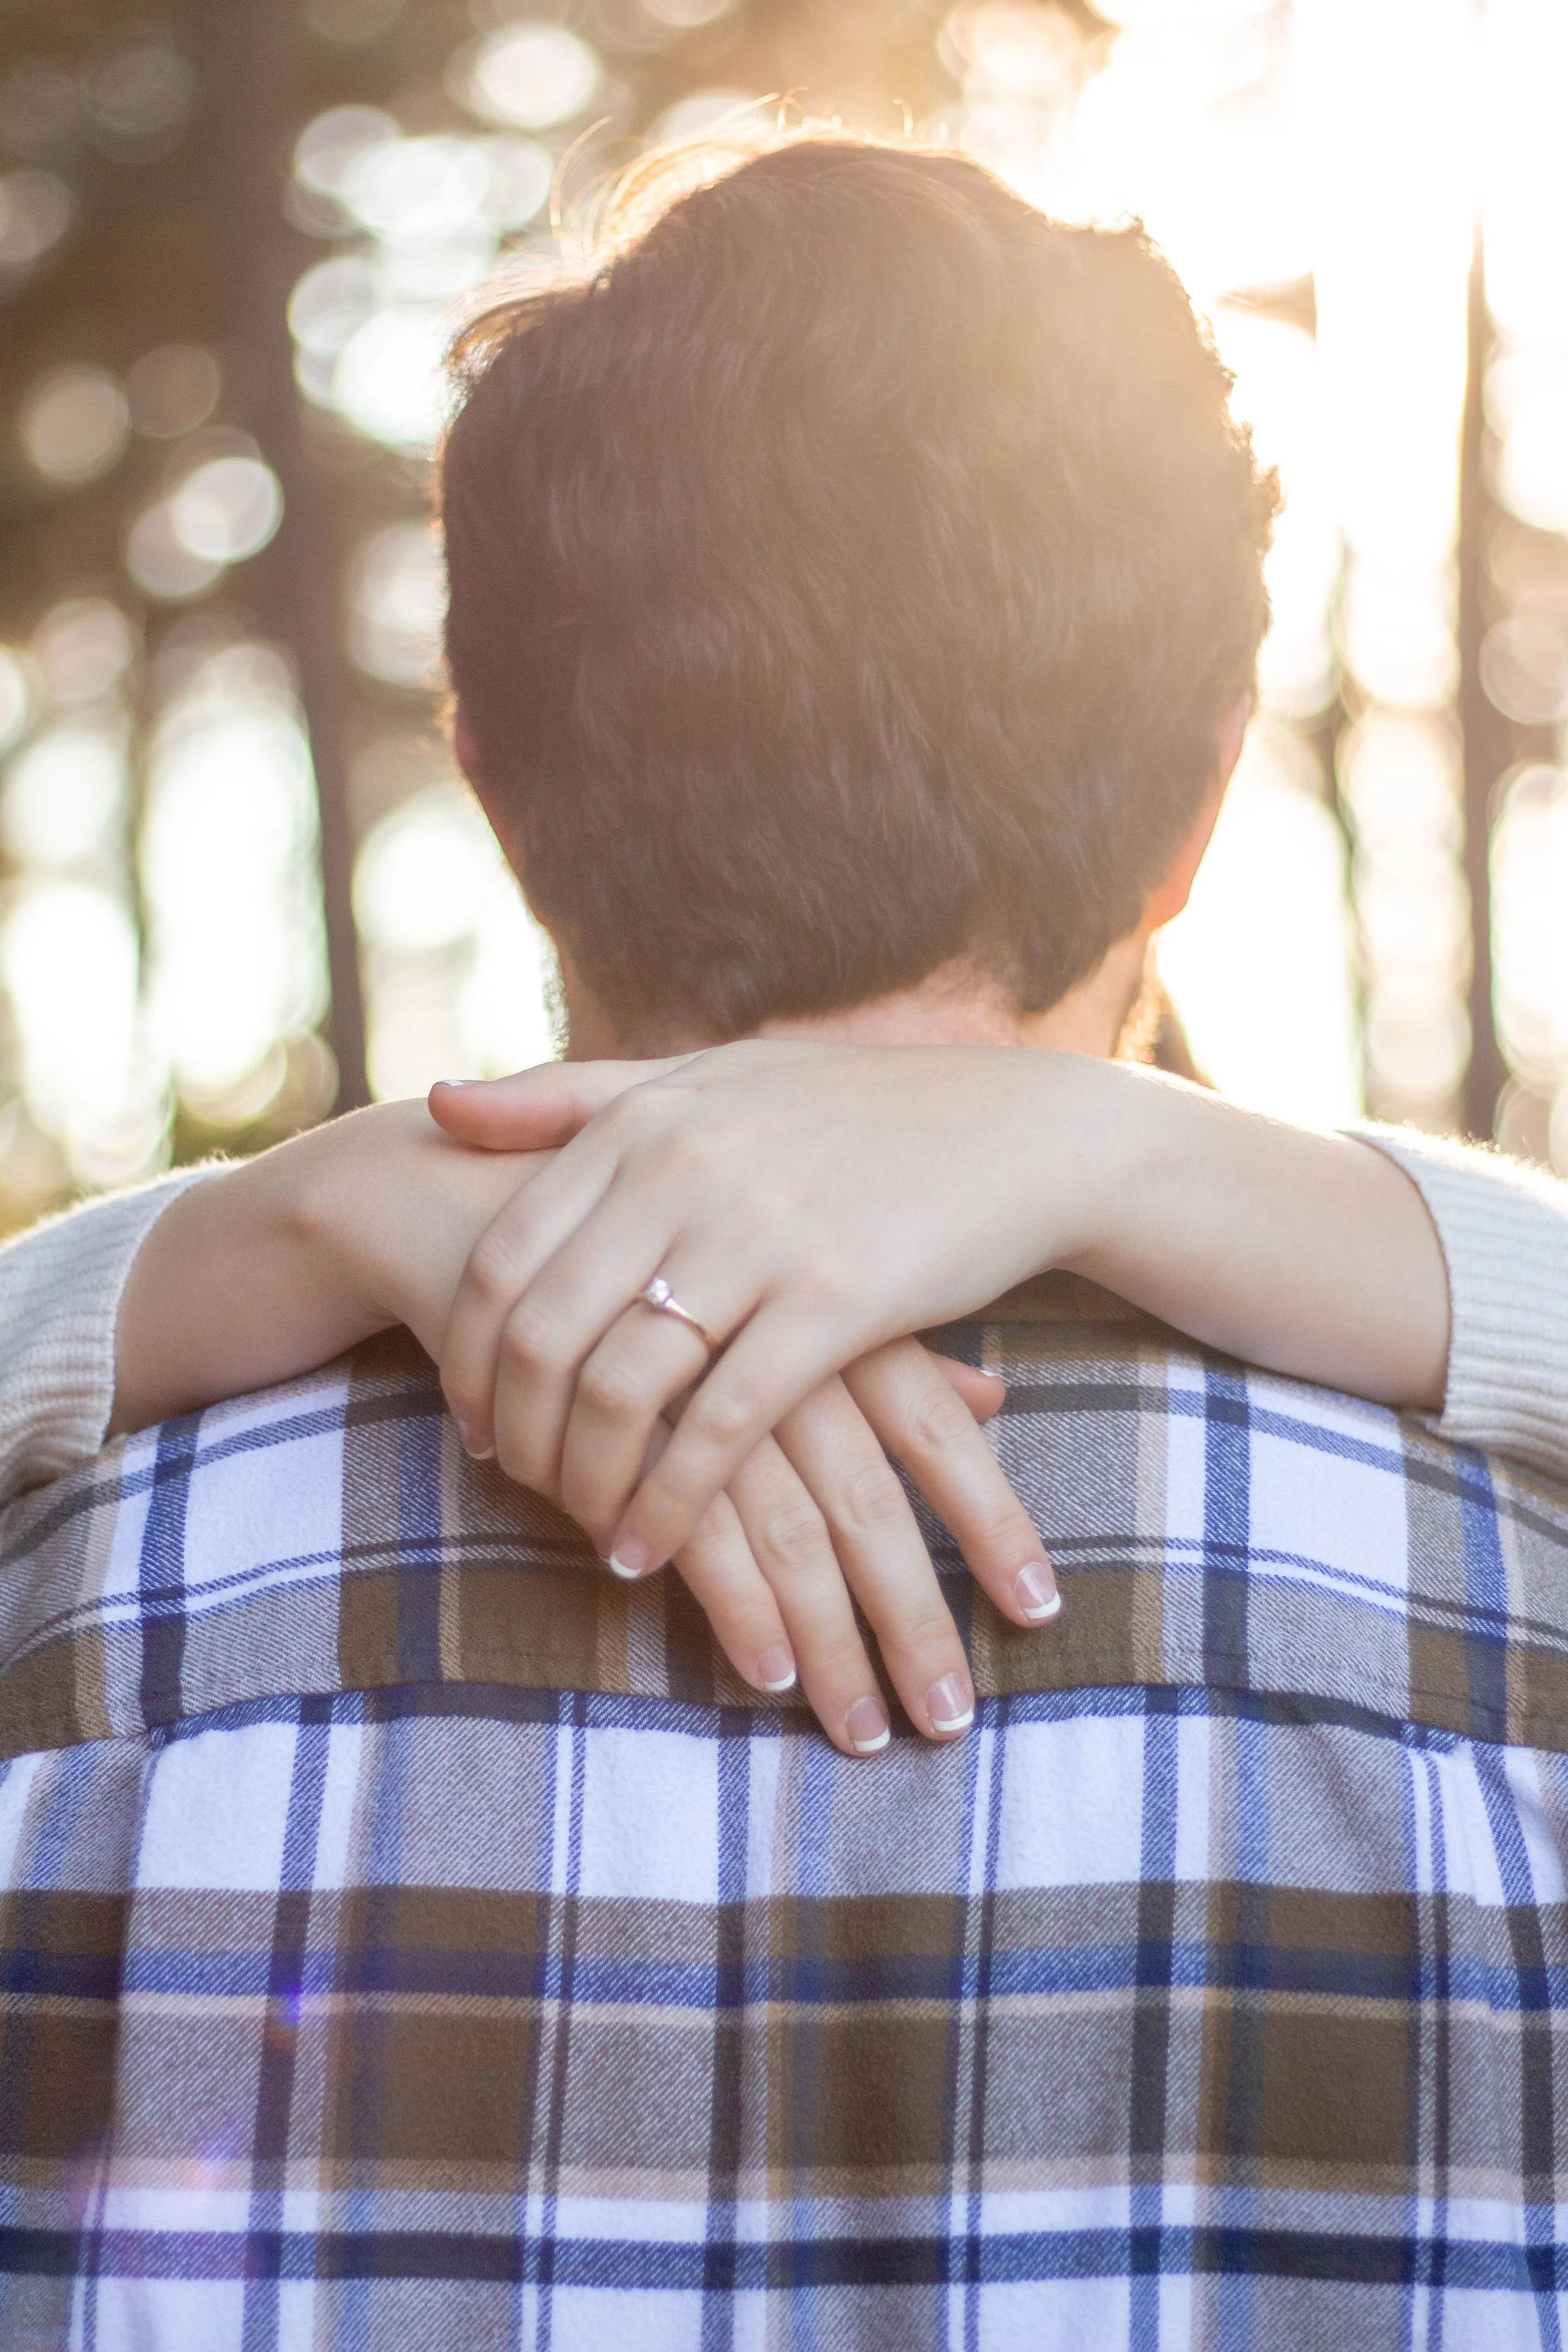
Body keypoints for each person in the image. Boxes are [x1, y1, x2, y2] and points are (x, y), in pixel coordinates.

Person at [4, 132, 1568, 2346]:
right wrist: (1166, 1161)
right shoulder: (1515, 1639)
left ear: (496, 783)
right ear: (1213, 798)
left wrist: (227, 1238)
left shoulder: (69, 1634)